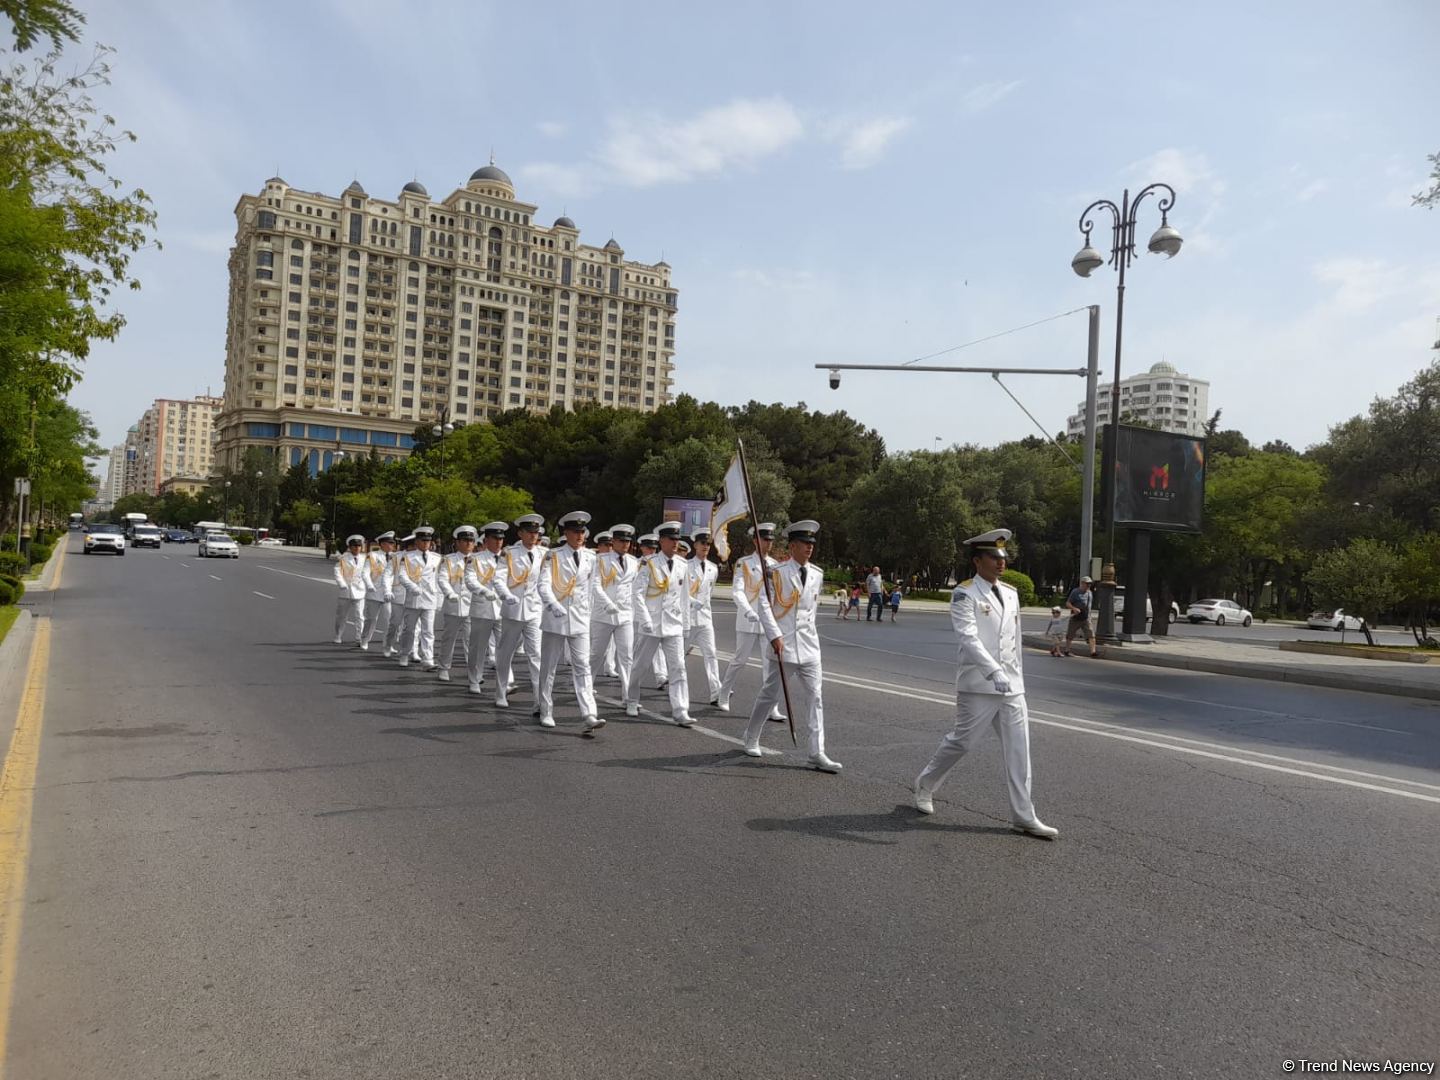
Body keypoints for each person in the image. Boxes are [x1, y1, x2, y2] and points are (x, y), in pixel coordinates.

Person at [913, 528, 1058, 839]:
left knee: (1019, 750)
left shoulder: (1010, 593)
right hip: (979, 684)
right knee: (962, 742)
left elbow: (1014, 641)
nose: (1000, 563)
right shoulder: (964, 593)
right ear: (978, 561)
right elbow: (968, 638)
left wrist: (1015, 675)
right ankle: (926, 784)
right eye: (994, 557)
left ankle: (1024, 815)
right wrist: (994, 672)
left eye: (1003, 557)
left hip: (1012, 686)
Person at [742, 520, 842, 773]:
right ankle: (751, 736)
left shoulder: (817, 574)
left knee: (815, 698)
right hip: (783, 645)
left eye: (812, 544)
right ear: (793, 546)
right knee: (769, 695)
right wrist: (774, 635)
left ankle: (816, 752)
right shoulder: (777, 572)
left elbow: (811, 612)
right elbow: (764, 605)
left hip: (809, 647)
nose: (809, 548)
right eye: (805, 544)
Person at [536, 511, 614, 733]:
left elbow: (593, 586)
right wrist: (552, 604)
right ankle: (546, 710)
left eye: (582, 532)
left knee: (582, 667)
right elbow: (542, 585)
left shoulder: (591, 557)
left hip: (579, 618)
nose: (580, 535)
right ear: (566, 533)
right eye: (575, 532)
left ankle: (589, 712)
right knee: (549, 667)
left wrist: (597, 608)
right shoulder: (553, 556)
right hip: (555, 619)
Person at [626, 521, 694, 726]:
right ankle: (631, 699)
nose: (675, 543)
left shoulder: (683, 564)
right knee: (640, 665)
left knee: (678, 667)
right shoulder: (649, 563)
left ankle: (681, 710)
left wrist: (686, 624)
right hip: (652, 623)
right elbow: (637, 593)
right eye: (671, 539)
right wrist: (644, 618)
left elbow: (684, 597)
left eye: (677, 539)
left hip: (673, 623)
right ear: (662, 541)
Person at [715, 523, 784, 721]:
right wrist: (747, 611)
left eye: (771, 540)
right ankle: (723, 693)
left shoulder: (775, 565)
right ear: (756, 540)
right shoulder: (743, 563)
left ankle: (772, 707)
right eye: (765, 539)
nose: (768, 543)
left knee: (770, 665)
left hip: (768, 621)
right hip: (749, 619)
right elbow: (737, 590)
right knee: (739, 660)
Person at [493, 513, 546, 711]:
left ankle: (539, 700)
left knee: (537, 656)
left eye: (536, 532)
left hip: (534, 610)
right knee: (505, 653)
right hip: (513, 610)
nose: (534, 536)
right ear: (520, 533)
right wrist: (506, 595)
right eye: (529, 532)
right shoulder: (509, 553)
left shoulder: (544, 554)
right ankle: (500, 691)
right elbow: (498, 578)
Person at [592, 524, 640, 703]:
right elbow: (595, 585)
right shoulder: (601, 560)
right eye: (621, 541)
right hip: (603, 614)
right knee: (596, 654)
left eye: (627, 541)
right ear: (613, 541)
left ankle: (628, 695)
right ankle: (586, 686)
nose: (625, 544)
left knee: (627, 655)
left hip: (625, 614)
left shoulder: (634, 562)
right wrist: (607, 603)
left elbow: (635, 588)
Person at [462, 522, 507, 694]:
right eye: (495, 538)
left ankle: (505, 682)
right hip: (482, 607)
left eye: (501, 538)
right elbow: (470, 580)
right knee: (478, 647)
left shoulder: (508, 558)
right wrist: (483, 590)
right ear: (486, 540)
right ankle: (474, 678)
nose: (499, 542)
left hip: (503, 608)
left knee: (504, 647)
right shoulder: (476, 559)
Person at [397, 526, 443, 670]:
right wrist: (412, 587)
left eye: (428, 541)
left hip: (430, 598)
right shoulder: (408, 557)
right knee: (409, 630)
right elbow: (402, 576)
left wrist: (440, 599)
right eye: (423, 541)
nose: (426, 543)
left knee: (428, 631)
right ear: (417, 541)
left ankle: (428, 659)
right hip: (414, 599)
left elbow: (439, 579)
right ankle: (405, 653)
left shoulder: (436, 558)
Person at [435, 525, 477, 682]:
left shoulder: (478, 560)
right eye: (465, 540)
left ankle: (473, 671)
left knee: (472, 641)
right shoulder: (449, 560)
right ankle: (444, 667)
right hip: (454, 605)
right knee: (449, 638)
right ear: (457, 542)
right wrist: (449, 593)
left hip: (473, 605)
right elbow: (442, 579)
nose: (468, 544)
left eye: (471, 540)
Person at [685, 530, 720, 705]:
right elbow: (680, 592)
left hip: (705, 617)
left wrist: (702, 605)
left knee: (711, 653)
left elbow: (709, 593)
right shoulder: (685, 565)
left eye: (708, 544)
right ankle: (671, 680)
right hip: (688, 618)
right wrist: (692, 602)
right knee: (679, 654)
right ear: (695, 545)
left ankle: (716, 691)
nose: (705, 546)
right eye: (702, 543)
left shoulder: (714, 568)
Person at [358, 531, 397, 650]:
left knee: (390, 620)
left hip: (388, 593)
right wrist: (369, 585)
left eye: (392, 543)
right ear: (382, 544)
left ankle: (388, 644)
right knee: (371, 619)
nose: (392, 545)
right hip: (374, 592)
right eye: (389, 543)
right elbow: (365, 572)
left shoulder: (396, 557)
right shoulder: (373, 555)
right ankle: (364, 640)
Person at [332, 534, 368, 644]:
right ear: (350, 547)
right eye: (354, 546)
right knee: (341, 616)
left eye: (359, 546)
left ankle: (359, 638)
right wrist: (342, 583)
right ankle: (338, 635)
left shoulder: (365, 559)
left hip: (360, 590)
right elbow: (337, 571)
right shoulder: (343, 558)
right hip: (346, 591)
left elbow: (367, 573)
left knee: (360, 616)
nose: (357, 548)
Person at [383, 534, 414, 657]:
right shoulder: (396, 558)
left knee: (413, 627)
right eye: (414, 546)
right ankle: (388, 645)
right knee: (395, 624)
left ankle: (411, 650)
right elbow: (387, 574)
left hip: (415, 597)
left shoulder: (422, 558)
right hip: (399, 595)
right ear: (408, 546)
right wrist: (387, 590)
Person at [1065, 576, 1098, 658]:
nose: (1088, 586)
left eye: (1090, 584)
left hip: (1086, 617)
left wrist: (1090, 616)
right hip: (1076, 617)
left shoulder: (1090, 593)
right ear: (1082, 583)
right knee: (1070, 634)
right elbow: (1068, 603)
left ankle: (1093, 652)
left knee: (1091, 634)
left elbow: (1089, 606)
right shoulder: (1075, 592)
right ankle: (1067, 650)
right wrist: (1074, 608)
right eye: (1087, 584)